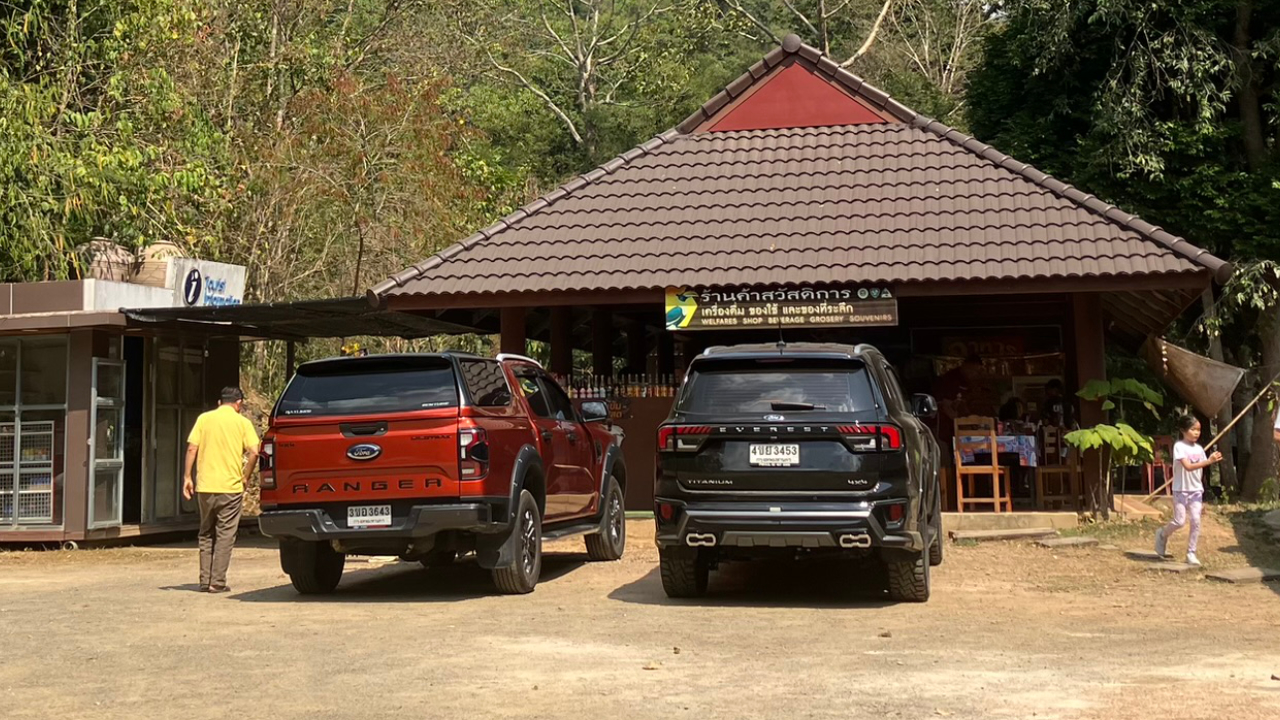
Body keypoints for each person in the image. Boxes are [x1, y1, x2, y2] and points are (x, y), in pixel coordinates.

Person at [182, 387, 260, 593]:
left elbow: (192, 448)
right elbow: (255, 452)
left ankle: (203, 580)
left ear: (219, 402)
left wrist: (187, 477)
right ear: (239, 403)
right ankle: (217, 582)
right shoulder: (242, 423)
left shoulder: (204, 419)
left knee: (205, 533)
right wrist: (246, 476)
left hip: (205, 486)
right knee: (225, 534)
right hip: (231, 487)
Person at [1154, 415, 1223, 566]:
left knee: (1196, 521)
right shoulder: (1179, 447)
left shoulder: (1199, 449)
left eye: (1198, 430)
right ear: (1183, 430)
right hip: (1180, 490)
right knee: (1179, 521)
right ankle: (1162, 534)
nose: (1196, 433)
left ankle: (1191, 552)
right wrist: (1209, 461)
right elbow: (1188, 466)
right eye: (1193, 429)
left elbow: (1201, 468)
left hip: (1196, 491)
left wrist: (1208, 464)